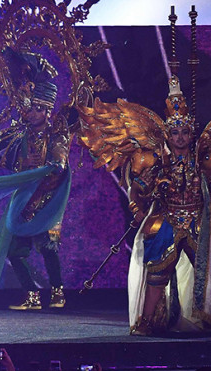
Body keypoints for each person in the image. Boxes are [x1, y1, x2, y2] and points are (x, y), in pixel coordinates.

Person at [79, 75, 211, 334]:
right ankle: (147, 321)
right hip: (168, 221)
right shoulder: (156, 161)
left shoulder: (202, 161)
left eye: (185, 132)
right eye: (175, 132)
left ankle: (205, 315)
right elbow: (136, 189)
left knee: (205, 272)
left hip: (197, 222)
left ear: (191, 133)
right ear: (168, 135)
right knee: (157, 273)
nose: (181, 138)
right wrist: (138, 208)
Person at [0, 51, 69, 310]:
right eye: (28, 107)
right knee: (13, 251)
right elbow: (8, 158)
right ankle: (32, 295)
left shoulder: (56, 135)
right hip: (23, 200)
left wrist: (53, 164)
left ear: (46, 110)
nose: (29, 112)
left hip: (46, 198)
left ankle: (57, 292)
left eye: (35, 108)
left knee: (48, 248)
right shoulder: (21, 135)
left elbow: (60, 159)